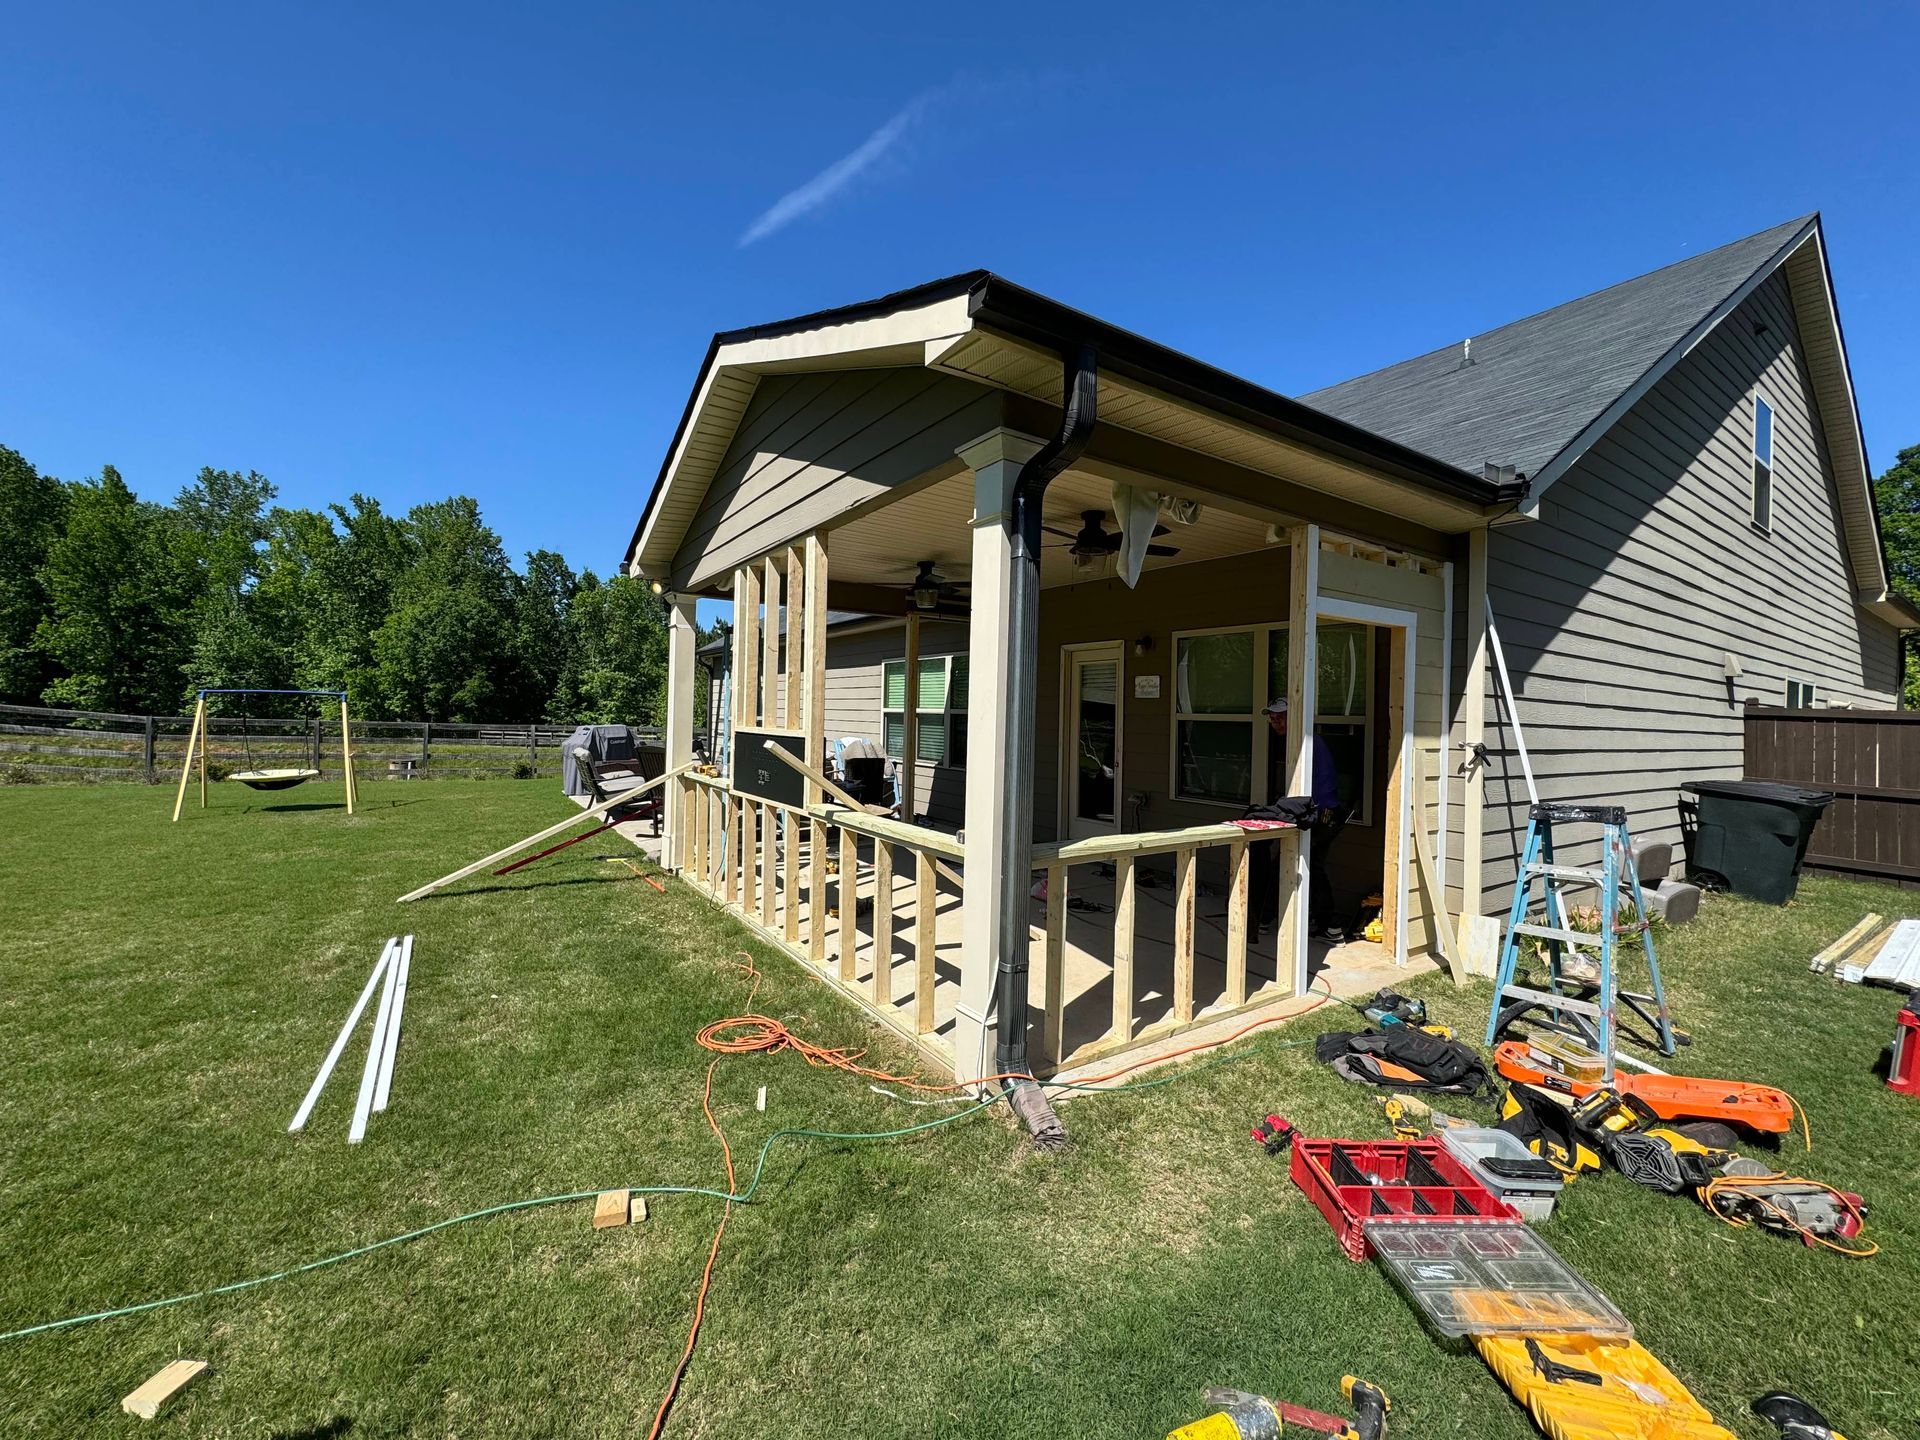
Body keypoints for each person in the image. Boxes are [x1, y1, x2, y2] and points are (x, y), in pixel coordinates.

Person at [1263, 698, 1344, 939]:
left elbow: (1310, 788)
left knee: (1292, 863)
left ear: (1296, 717)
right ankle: (1329, 926)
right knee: (1308, 866)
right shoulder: (1303, 740)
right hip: (1320, 811)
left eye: (1281, 716)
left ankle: (1264, 918)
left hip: (1322, 813)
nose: (1275, 721)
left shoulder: (1304, 742)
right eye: (1272, 717)